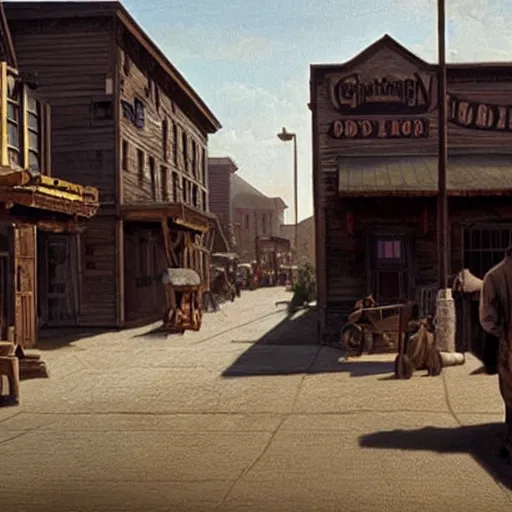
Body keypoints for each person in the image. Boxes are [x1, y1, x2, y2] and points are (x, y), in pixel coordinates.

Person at [479, 246, 512, 460]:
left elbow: (487, 319)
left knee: (511, 397)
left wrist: (504, 333)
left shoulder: (494, 275)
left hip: (510, 346)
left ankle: (510, 443)